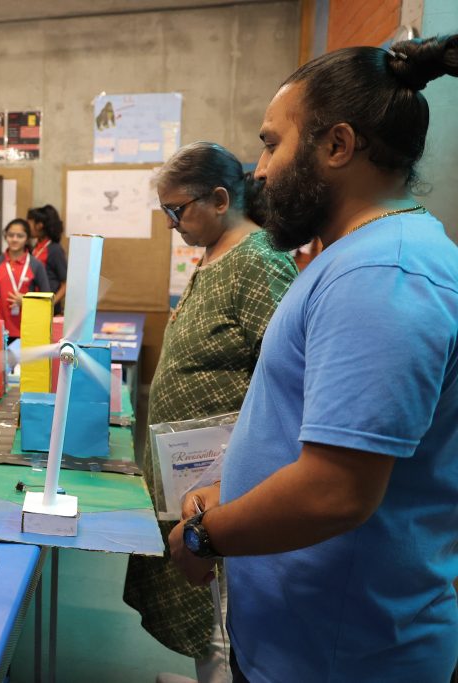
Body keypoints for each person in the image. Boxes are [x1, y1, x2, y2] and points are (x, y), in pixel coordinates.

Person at [168, 37, 458, 683]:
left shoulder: (382, 274)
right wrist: (235, 491)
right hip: (303, 641)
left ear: (337, 145)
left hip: (340, 658)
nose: (260, 171)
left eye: (273, 144)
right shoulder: (354, 257)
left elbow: (335, 491)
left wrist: (207, 537)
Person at [122, 142, 297, 683]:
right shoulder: (215, 252)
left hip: (227, 481)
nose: (170, 223)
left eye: (176, 209)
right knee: (205, 604)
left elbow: (290, 377)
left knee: (224, 614)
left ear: (220, 200)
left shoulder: (257, 261)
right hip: (193, 475)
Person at [0, 218, 51, 342]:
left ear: (27, 238)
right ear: (5, 236)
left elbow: (47, 299)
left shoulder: (36, 265)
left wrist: (26, 300)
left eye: (20, 236)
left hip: (28, 329)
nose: (14, 239)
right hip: (0, 328)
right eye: (11, 235)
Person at [26, 204, 68, 308]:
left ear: (39, 225)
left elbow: (66, 284)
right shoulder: (35, 247)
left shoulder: (55, 250)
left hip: (47, 307)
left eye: (29, 223)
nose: (26, 227)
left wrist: (51, 303)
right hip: (33, 304)